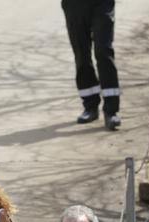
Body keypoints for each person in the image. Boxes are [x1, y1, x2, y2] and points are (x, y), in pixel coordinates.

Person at [61, 0, 121, 130]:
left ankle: (111, 111)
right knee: (81, 55)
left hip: (101, 4)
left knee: (103, 51)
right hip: (74, 5)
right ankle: (90, 106)